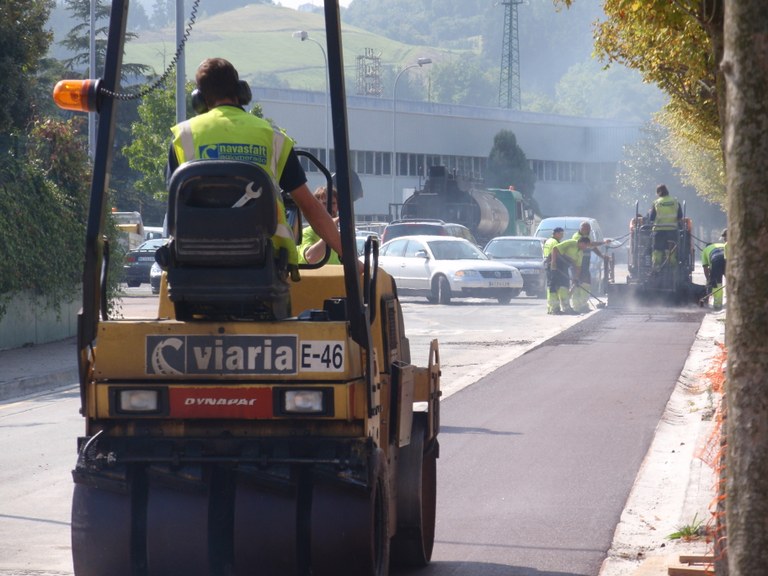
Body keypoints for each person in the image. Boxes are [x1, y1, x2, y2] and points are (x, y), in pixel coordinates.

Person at [166, 57, 345, 279]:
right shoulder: (273, 138)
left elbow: (175, 206)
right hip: (266, 265)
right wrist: (347, 257)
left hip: (195, 263)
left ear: (199, 99)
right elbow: (310, 206)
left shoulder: (183, 137)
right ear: (241, 92)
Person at [570, 221, 610, 313]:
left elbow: (593, 248)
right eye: (586, 229)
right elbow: (590, 244)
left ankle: (583, 304)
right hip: (577, 265)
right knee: (577, 285)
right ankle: (577, 306)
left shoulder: (587, 237)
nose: (588, 231)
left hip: (585, 264)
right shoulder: (577, 237)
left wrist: (602, 256)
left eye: (589, 229)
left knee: (586, 284)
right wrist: (603, 242)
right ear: (581, 229)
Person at [299, 186, 341, 265]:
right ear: (317, 208)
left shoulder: (339, 234)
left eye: (333, 203)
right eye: (325, 203)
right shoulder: (306, 233)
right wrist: (330, 229)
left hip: (335, 276)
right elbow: (311, 257)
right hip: (312, 277)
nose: (329, 208)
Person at [550, 236, 591, 315]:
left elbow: (578, 267)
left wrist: (576, 278)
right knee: (554, 286)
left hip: (564, 266)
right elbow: (555, 249)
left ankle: (566, 307)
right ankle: (555, 308)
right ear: (581, 243)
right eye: (585, 245)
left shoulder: (580, 253)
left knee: (564, 285)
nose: (586, 248)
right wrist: (553, 262)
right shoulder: (571, 243)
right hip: (555, 264)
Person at [648, 184, 683, 272]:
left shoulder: (656, 202)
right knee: (671, 251)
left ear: (659, 192)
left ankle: (656, 268)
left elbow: (651, 217)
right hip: (672, 231)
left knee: (657, 250)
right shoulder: (675, 201)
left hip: (659, 231)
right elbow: (680, 216)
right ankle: (674, 269)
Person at [701, 229, 727, 311]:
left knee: (717, 283)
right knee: (731, 281)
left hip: (716, 260)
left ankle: (718, 305)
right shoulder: (722, 244)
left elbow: (705, 268)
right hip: (727, 258)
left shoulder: (705, 250)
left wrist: (709, 279)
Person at [543, 227, 565, 314]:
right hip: (553, 266)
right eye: (561, 234)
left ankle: (550, 308)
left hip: (548, 265)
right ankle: (555, 308)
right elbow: (556, 254)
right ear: (557, 233)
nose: (562, 236)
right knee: (554, 287)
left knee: (550, 286)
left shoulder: (548, 241)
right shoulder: (555, 242)